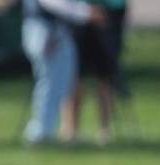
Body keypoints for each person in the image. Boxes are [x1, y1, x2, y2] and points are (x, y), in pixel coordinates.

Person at [21, 0, 107, 144]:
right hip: (46, 30)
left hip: (53, 30)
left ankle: (44, 130)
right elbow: (54, 3)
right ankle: (42, 131)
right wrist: (86, 12)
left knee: (59, 84)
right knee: (49, 84)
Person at [62, 0, 127, 144]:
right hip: (78, 11)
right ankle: (70, 129)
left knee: (105, 75)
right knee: (74, 73)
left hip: (110, 9)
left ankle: (105, 129)